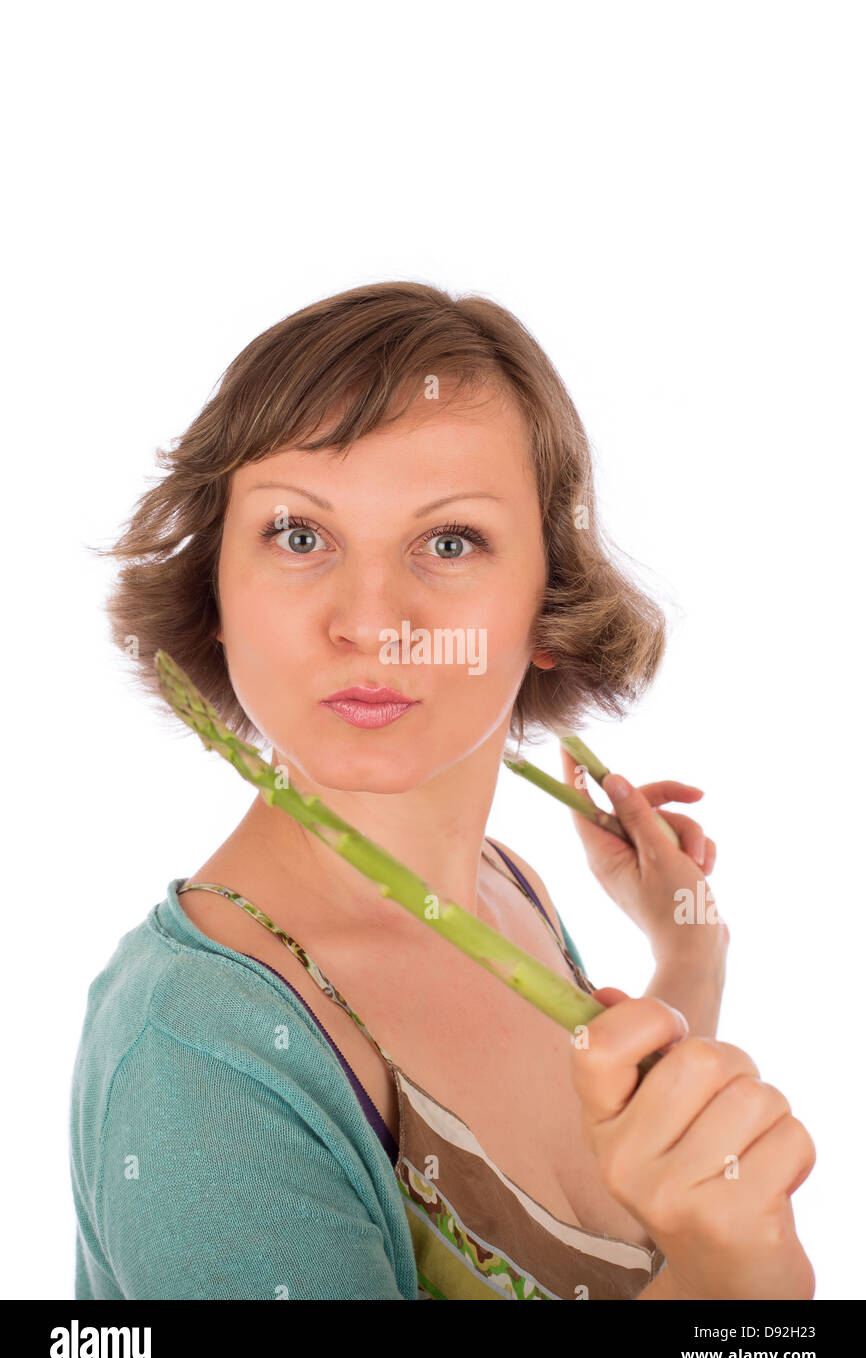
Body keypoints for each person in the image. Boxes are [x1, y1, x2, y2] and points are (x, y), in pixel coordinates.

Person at [70, 280, 815, 1300]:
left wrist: (689, 950)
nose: (371, 622)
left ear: (548, 605)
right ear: (214, 596)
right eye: (298, 535)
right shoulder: (202, 1049)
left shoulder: (510, 892)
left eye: (449, 541)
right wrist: (734, 1294)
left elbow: (637, 1182)